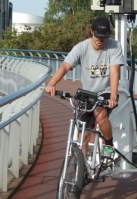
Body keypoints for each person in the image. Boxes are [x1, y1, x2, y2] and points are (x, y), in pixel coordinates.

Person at [45, 17, 126, 155]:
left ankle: (108, 144)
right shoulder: (81, 48)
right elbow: (65, 67)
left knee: (100, 114)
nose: (100, 40)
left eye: (103, 37)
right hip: (88, 93)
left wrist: (113, 97)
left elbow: (114, 71)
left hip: (105, 91)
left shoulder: (114, 46)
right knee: (84, 132)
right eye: (97, 36)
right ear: (91, 32)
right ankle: (81, 167)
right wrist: (51, 84)